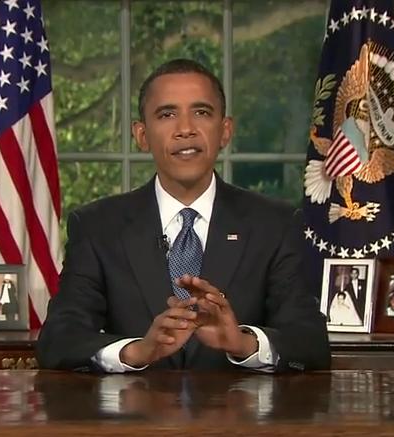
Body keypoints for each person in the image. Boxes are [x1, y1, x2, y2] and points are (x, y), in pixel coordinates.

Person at [36, 58, 330, 372]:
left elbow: (310, 343)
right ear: (142, 135)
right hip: (135, 418)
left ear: (225, 130)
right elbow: (58, 340)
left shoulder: (275, 224)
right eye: (167, 114)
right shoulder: (98, 228)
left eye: (201, 112)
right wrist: (137, 351)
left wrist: (243, 343)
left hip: (237, 419)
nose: (186, 129)